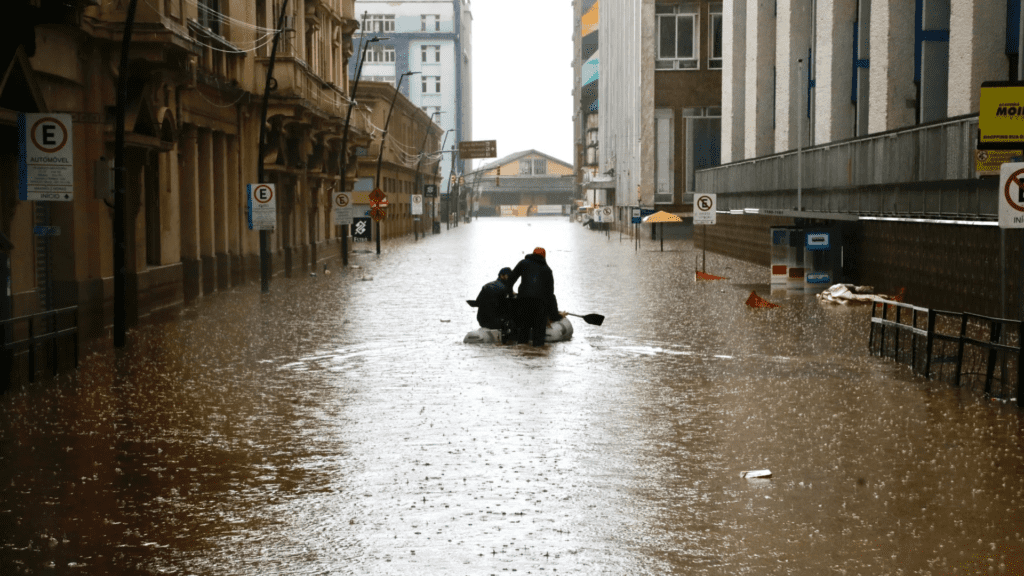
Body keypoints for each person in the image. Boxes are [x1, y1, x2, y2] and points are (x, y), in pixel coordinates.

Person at [507, 247, 560, 346]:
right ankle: (537, 352)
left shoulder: (523, 263)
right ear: (544, 257)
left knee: (523, 328)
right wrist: (554, 314)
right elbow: (550, 294)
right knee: (539, 333)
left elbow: (511, 279)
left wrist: (510, 293)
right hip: (540, 304)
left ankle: (523, 352)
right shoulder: (547, 270)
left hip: (523, 301)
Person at [475, 267, 514, 335]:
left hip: (481, 321)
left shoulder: (486, 286)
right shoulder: (506, 289)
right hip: (497, 322)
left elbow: (477, 302)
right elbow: (508, 307)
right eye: (509, 276)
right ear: (502, 276)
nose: (510, 279)